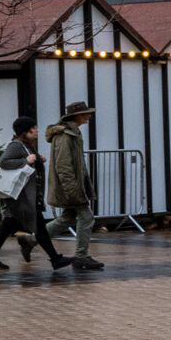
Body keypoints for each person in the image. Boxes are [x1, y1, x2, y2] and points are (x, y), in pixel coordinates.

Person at [0, 118, 63, 273]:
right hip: (19, 197)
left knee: (11, 226)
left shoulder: (27, 146)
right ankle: (55, 259)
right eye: (34, 128)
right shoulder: (16, 146)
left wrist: (38, 159)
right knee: (36, 228)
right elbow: (3, 162)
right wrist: (25, 160)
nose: (37, 130)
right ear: (26, 131)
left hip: (25, 196)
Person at [44, 99, 107, 272]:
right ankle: (81, 256)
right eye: (87, 114)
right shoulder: (65, 135)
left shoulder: (73, 132)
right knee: (86, 217)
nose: (89, 116)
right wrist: (73, 190)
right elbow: (63, 165)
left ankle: (31, 240)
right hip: (71, 188)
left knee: (68, 218)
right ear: (78, 116)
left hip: (75, 186)